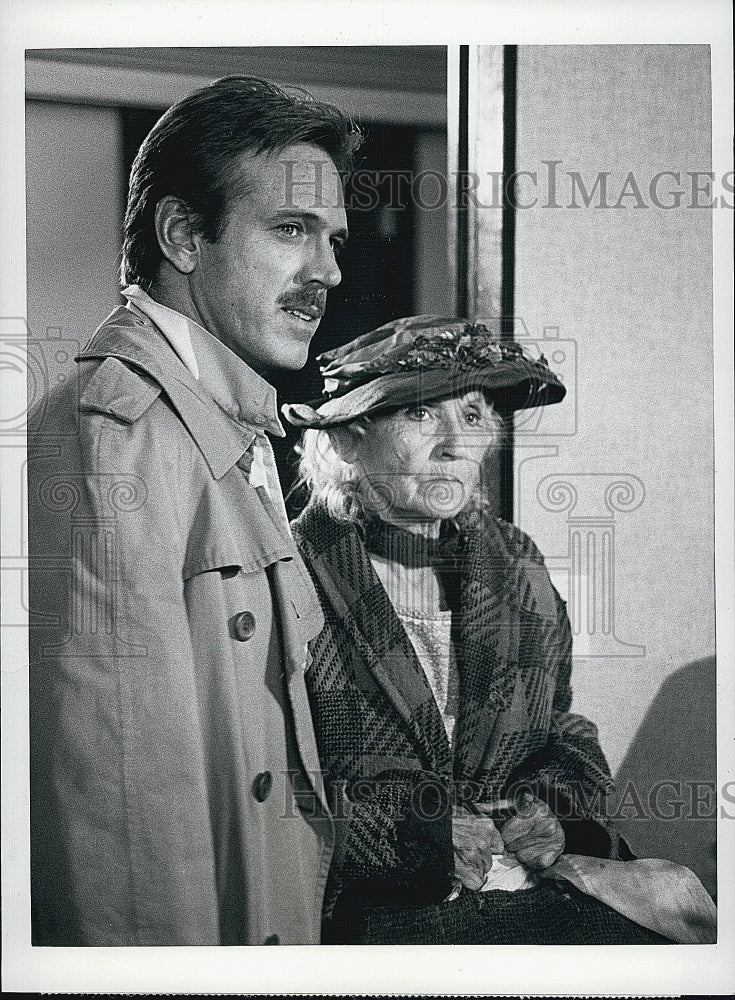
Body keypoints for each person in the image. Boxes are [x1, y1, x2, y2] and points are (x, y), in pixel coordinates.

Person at [27, 75, 361, 945]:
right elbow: (120, 829)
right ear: (183, 234)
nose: (326, 271)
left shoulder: (225, 421)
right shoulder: (116, 439)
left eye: (332, 239)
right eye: (291, 229)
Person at [283, 315, 716, 945]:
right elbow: (264, 786)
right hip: (371, 910)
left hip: (521, 883)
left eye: (475, 414)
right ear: (347, 441)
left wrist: (555, 814)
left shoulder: (515, 565)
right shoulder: (292, 573)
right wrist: (425, 835)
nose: (456, 444)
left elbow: (561, 731)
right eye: (422, 414)